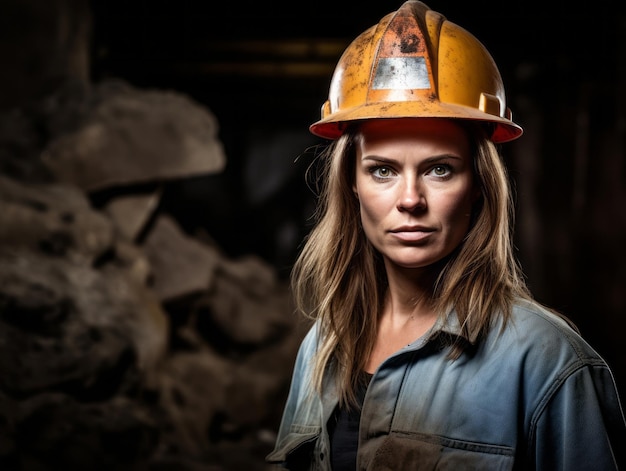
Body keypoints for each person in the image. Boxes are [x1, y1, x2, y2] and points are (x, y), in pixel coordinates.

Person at [266, 1, 626, 469]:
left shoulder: (549, 363)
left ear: (478, 185)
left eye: (439, 169)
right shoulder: (324, 345)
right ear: (351, 184)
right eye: (382, 171)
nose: (410, 199)